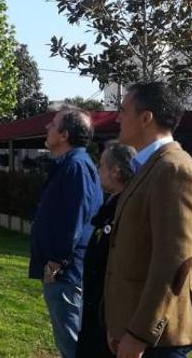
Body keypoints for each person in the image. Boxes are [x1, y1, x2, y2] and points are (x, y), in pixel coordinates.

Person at [105, 82, 192, 358]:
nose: (117, 118)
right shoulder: (149, 167)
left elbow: (174, 262)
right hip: (135, 331)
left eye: (123, 110)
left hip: (158, 341)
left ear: (146, 118)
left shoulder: (173, 169)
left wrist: (140, 334)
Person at [29, 106, 103, 358]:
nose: (47, 128)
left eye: (53, 124)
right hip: (62, 270)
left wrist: (56, 261)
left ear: (64, 135)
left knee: (72, 343)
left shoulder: (76, 167)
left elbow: (75, 218)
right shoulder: (69, 164)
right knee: (68, 339)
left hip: (66, 273)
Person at [76, 141, 136, 358]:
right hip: (95, 312)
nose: (97, 170)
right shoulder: (111, 206)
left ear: (116, 171)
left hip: (111, 321)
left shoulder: (128, 209)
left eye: (101, 165)